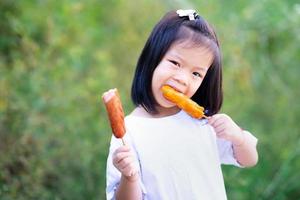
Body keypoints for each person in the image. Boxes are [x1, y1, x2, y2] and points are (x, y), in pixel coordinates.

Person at [106, 9, 258, 200]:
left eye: (196, 74)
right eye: (175, 63)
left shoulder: (203, 122)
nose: (183, 79)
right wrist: (129, 177)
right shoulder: (129, 132)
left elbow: (249, 159)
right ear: (153, 59)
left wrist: (238, 138)